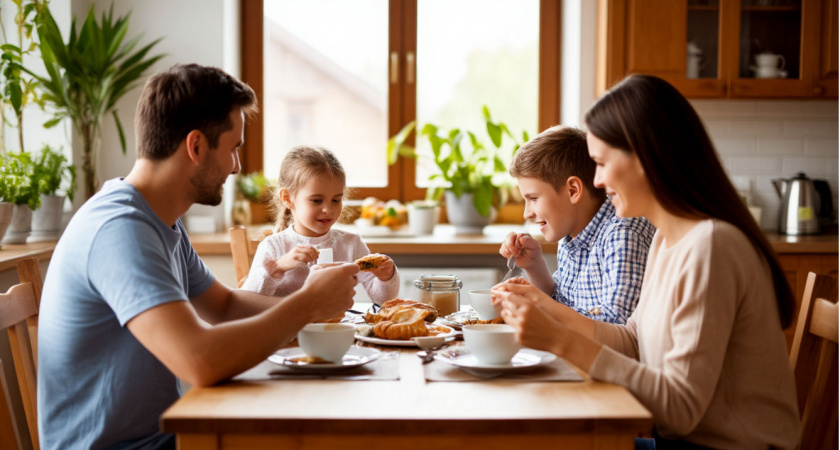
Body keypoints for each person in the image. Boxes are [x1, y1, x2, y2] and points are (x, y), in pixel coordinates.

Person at [37, 64, 360, 450]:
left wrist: (320, 311)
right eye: (234, 148)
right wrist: (307, 305)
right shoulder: (120, 230)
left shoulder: (161, 220)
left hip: (162, 438)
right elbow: (199, 361)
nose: (236, 167)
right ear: (196, 146)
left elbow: (225, 306)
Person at [492, 75, 799, 449]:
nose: (597, 181)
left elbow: (681, 411)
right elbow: (632, 340)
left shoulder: (712, 247)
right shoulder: (666, 240)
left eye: (601, 163)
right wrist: (542, 307)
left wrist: (560, 338)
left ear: (645, 158)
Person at [498, 125, 655, 324]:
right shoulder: (570, 233)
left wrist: (538, 307)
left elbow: (617, 323)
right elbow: (563, 303)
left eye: (534, 198)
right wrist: (534, 266)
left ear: (573, 191)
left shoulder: (622, 235)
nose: (527, 213)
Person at [241, 145, 400, 304]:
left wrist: (386, 277)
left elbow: (384, 300)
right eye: (316, 200)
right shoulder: (273, 246)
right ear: (288, 198)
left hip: (338, 321)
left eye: (336, 200)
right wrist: (278, 267)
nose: (328, 209)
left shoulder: (351, 244)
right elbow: (247, 302)